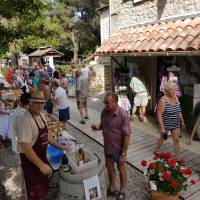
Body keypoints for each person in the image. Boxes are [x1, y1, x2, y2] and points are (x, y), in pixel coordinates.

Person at [16, 91, 69, 200]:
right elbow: (26, 147)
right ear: (30, 103)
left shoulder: (42, 114)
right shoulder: (25, 120)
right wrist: (41, 165)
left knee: (42, 188)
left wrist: (60, 146)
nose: (39, 106)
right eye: (36, 103)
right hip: (30, 162)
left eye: (42, 103)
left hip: (41, 156)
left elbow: (47, 135)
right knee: (33, 192)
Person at [91, 92, 131, 200]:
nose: (105, 105)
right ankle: (112, 187)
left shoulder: (123, 115)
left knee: (121, 169)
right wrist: (97, 128)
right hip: (108, 148)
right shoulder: (104, 112)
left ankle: (122, 190)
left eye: (107, 103)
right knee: (109, 169)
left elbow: (127, 136)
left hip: (119, 150)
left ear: (114, 102)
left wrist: (123, 154)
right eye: (104, 102)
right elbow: (103, 125)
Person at [154, 82, 185, 160]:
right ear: (166, 91)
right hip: (166, 123)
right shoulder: (163, 100)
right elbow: (159, 114)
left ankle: (178, 158)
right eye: (172, 90)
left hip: (175, 123)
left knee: (176, 140)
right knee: (163, 138)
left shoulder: (176, 98)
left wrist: (182, 121)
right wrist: (162, 128)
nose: (174, 92)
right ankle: (156, 151)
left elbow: (179, 110)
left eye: (175, 90)